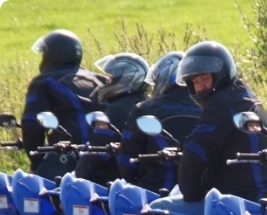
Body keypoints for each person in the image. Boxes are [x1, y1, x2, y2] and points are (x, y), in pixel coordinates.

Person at [135, 41, 267, 215]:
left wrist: (191, 191)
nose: (200, 87)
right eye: (195, 81)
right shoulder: (246, 97)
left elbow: (196, 150)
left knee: (158, 209)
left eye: (205, 79)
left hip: (232, 202)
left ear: (220, 75)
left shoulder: (220, 103)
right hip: (263, 199)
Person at [21, 29, 107, 173]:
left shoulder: (43, 82)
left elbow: (32, 126)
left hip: (67, 157)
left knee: (26, 190)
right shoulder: (100, 80)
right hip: (106, 158)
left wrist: (37, 163)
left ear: (52, 54)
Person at [117, 51, 202, 193]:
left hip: (155, 191)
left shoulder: (144, 109)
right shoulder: (210, 109)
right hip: (199, 195)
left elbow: (126, 162)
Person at [74, 53, 150, 184]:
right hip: (139, 177)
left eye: (110, 78)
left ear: (127, 79)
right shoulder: (146, 104)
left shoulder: (116, 110)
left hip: (111, 180)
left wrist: (78, 175)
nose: (106, 83)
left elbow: (98, 150)